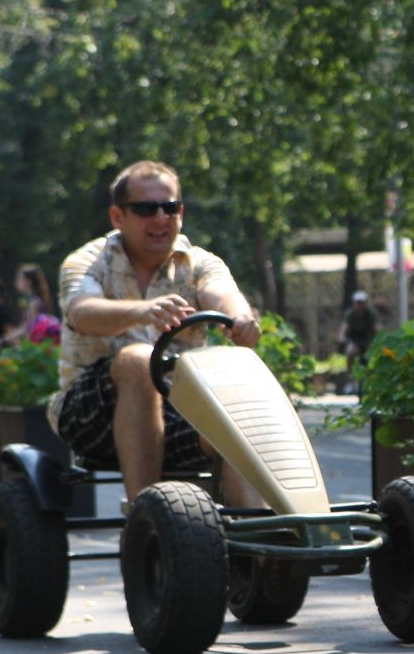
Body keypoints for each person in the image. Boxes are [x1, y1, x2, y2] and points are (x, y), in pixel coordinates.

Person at [48, 160, 264, 507]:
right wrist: (142, 311)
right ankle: (144, 517)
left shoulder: (200, 263)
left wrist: (240, 320)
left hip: (175, 408)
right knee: (138, 360)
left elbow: (223, 294)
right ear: (118, 217)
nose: (161, 218)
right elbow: (83, 312)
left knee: (233, 419)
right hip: (91, 414)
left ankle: (260, 542)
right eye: (146, 209)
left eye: (170, 207)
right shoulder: (88, 261)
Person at [2, 262, 61, 346]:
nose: (16, 282)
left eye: (19, 279)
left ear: (28, 282)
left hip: (38, 347)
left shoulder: (33, 302)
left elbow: (29, 327)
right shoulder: (31, 300)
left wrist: (3, 339)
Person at [338, 288, 378, 389]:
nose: (360, 305)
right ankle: (351, 380)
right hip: (355, 339)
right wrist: (341, 337)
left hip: (368, 340)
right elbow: (344, 327)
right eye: (358, 302)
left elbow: (377, 328)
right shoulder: (350, 314)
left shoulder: (370, 314)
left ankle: (371, 381)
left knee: (372, 358)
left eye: (362, 303)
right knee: (350, 353)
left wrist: (379, 339)